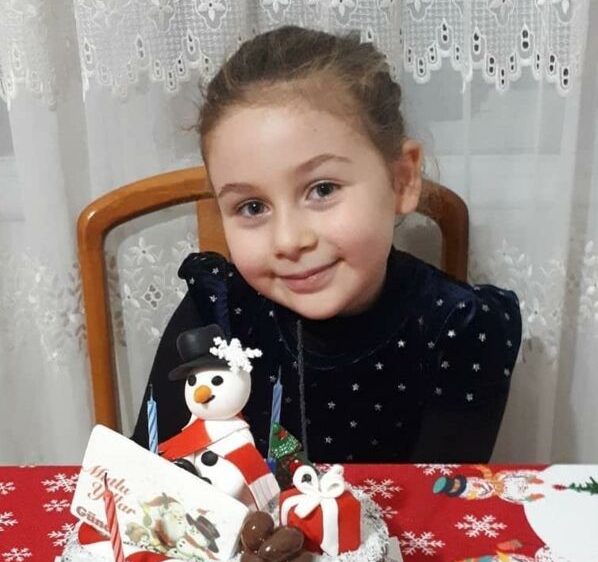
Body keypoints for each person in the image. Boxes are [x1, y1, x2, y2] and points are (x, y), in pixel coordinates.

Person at [133, 25, 522, 463]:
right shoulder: (216, 310)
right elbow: (147, 474)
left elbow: (441, 495)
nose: (289, 241)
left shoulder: (461, 328)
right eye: (252, 207)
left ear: (401, 180)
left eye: (322, 190)